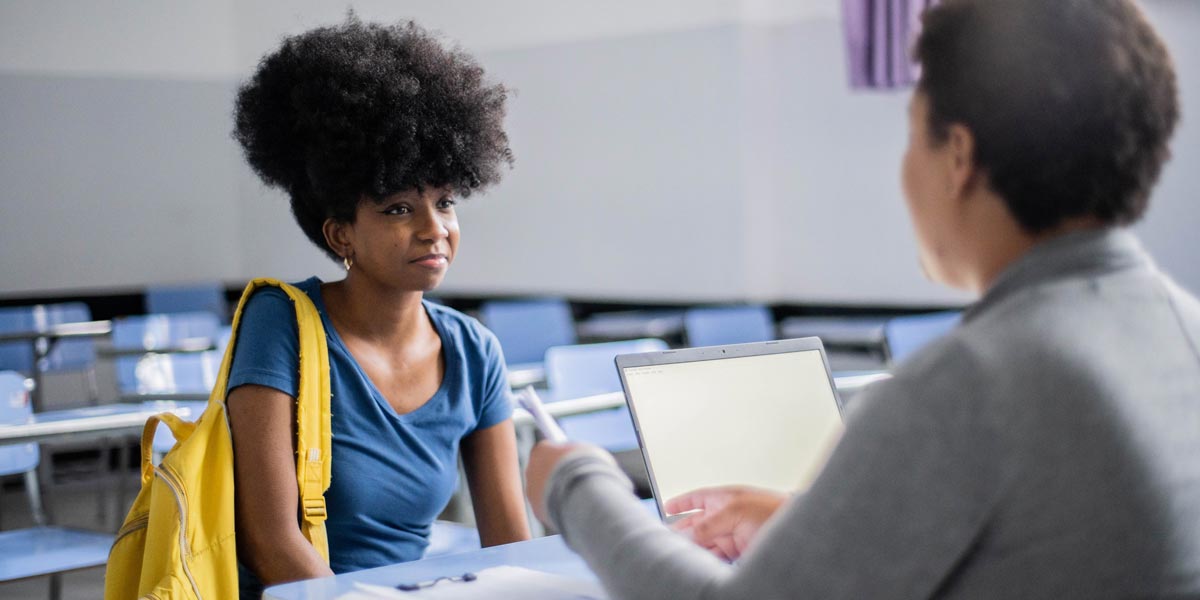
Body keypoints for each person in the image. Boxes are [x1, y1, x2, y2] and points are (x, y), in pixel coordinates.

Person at [525, 0, 1200, 597]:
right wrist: (809, 525)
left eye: (912, 133)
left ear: (957, 158)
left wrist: (579, 486)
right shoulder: (1183, 328)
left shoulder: (973, 379)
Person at [229, 16, 529, 595]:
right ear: (341, 234)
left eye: (444, 202)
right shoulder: (282, 323)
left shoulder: (474, 350)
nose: (433, 229)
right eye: (398, 208)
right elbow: (270, 541)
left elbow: (510, 543)